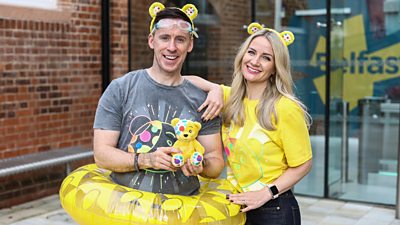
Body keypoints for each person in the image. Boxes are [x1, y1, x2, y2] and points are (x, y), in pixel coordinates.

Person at [186, 23, 313, 225]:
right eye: (251, 52)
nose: (255, 61)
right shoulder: (231, 99)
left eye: (266, 57)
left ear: (275, 68)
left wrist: (266, 193)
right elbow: (186, 81)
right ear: (242, 56)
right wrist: (214, 89)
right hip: (240, 207)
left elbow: (303, 164)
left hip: (274, 209)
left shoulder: (285, 107)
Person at [92, 2, 224, 196]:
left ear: (190, 45)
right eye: (165, 38)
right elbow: (102, 154)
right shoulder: (121, 88)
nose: (172, 47)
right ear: (151, 41)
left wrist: (200, 164)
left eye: (180, 39)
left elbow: (216, 161)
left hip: (181, 211)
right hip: (126, 208)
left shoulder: (203, 100)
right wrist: (146, 160)